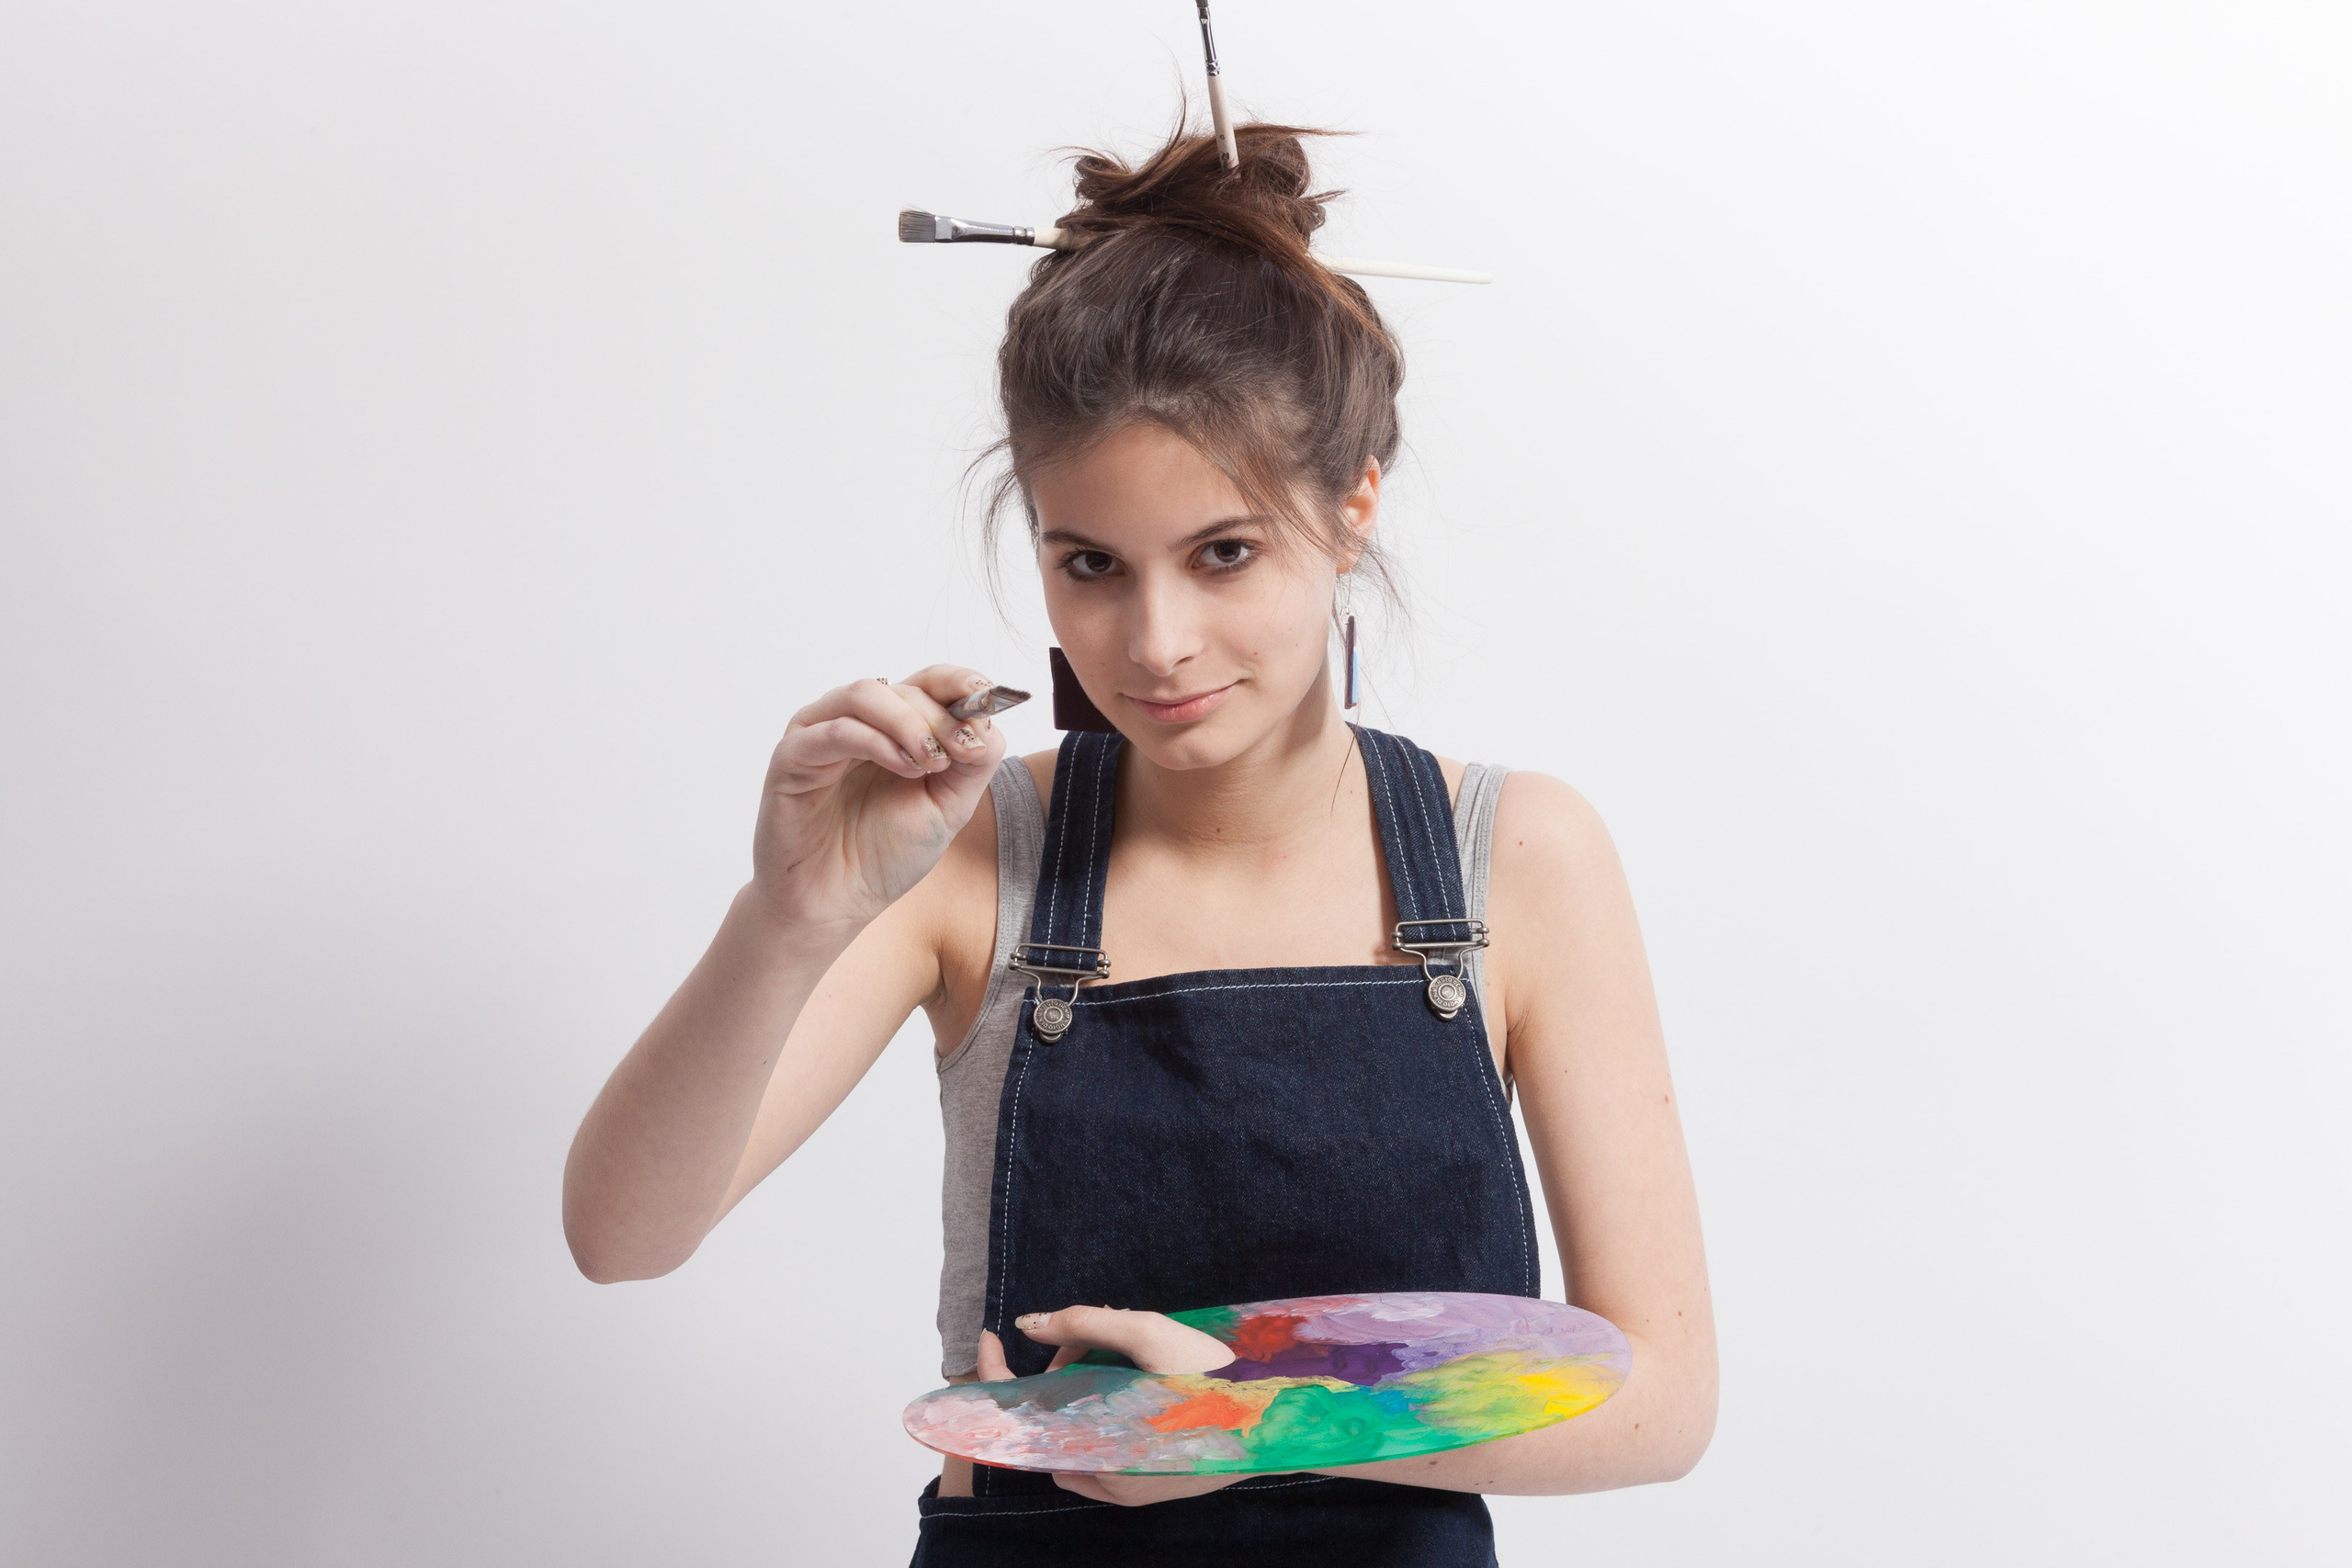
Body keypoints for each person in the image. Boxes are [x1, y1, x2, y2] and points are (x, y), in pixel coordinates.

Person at [562, 122, 1715, 1565]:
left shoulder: (1515, 858)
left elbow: (1661, 1403)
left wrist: (1239, 1432)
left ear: (1351, 502)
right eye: (1089, 565)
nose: (1155, 645)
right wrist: (787, 915)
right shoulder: (983, 856)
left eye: (1222, 553)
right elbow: (621, 1235)